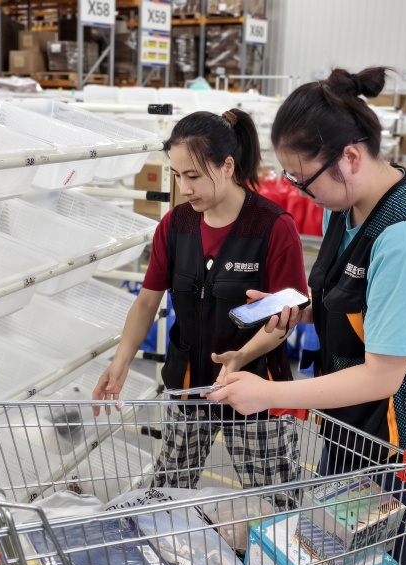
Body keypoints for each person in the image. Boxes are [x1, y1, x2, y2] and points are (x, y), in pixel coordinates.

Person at [207, 67, 406, 565]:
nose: (301, 194)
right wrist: (298, 310)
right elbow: (352, 302)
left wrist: (269, 394)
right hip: (351, 431)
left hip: (401, 448)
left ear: (349, 157)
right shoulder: (347, 210)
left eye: (303, 181)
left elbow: (383, 376)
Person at [92, 108, 308, 496]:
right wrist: (121, 361)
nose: (184, 187)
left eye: (192, 176)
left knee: (274, 502)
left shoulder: (272, 227)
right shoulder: (176, 226)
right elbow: (146, 302)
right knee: (168, 494)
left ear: (228, 166)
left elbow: (285, 316)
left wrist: (241, 356)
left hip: (255, 390)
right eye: (176, 175)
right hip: (189, 389)